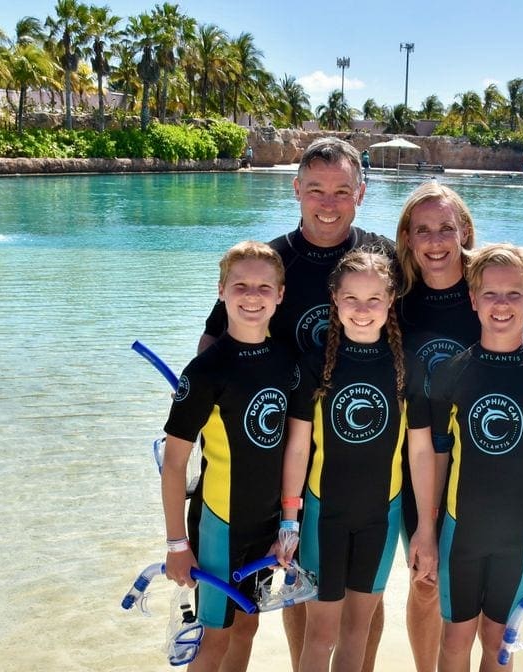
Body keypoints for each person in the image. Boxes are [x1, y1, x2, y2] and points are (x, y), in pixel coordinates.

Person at [197, 136, 394, 671]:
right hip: (277, 448)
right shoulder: (273, 261)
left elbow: (467, 294)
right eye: (315, 190)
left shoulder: (380, 257)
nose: (327, 203)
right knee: (294, 579)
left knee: (362, 588)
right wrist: (202, 425)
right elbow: (215, 341)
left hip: (361, 454)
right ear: (295, 191)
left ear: (362, 194)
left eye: (341, 191)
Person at [393, 182, 523, 672]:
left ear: (464, 232)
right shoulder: (397, 295)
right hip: (414, 466)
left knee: (494, 638)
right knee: (424, 587)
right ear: (407, 238)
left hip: (490, 498)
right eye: (423, 229)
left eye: (446, 228)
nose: (435, 240)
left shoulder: (490, 285)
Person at [277, 249, 437, 672]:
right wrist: (289, 520)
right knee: (320, 635)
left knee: (355, 636)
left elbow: (420, 452)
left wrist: (424, 525)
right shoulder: (315, 365)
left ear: (390, 302)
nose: (362, 310)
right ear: (335, 300)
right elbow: (297, 447)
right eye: (351, 299)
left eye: (373, 300)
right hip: (321, 517)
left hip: (380, 521)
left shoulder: (407, 366)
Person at [428, 243, 523, 672]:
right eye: (491, 294)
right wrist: (427, 528)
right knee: (455, 639)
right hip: (460, 533)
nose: (501, 304)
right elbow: (438, 457)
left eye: (514, 294)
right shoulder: (452, 372)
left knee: (499, 641)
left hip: (519, 536)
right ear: (473, 300)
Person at [161, 241, 295, 671]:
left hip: (266, 525)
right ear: (221, 291)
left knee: (247, 626)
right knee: (214, 638)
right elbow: (175, 463)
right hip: (220, 526)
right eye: (240, 285)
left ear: (280, 295)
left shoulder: (285, 361)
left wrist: (288, 525)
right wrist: (177, 543)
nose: (251, 296)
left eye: (263, 287)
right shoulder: (204, 372)